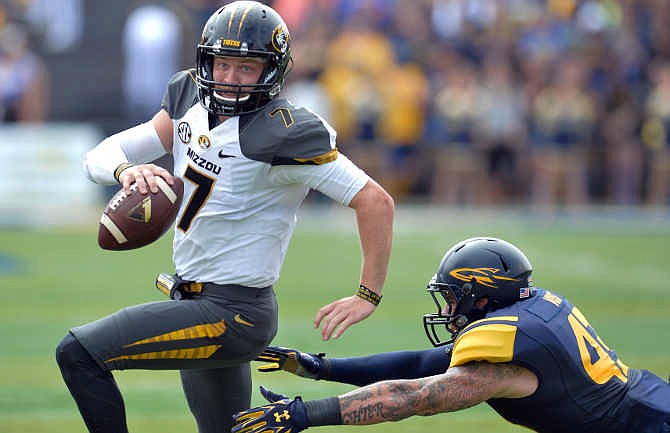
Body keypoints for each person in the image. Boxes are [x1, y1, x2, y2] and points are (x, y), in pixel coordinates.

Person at [55, 2, 394, 433]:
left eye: (246, 68)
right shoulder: (188, 98)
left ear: (271, 71)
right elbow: (100, 156)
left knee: (79, 352)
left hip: (234, 312)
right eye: (222, 63)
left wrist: (368, 294)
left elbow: (374, 200)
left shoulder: (284, 131)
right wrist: (126, 170)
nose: (230, 79)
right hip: (195, 301)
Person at [234, 237, 670, 433]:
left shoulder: (510, 355)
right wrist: (323, 368)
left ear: (481, 298)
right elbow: (429, 363)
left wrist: (306, 414)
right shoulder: (530, 310)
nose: (446, 309)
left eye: (452, 297)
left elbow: (415, 397)